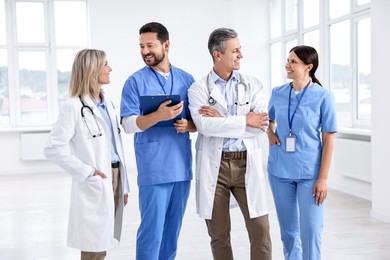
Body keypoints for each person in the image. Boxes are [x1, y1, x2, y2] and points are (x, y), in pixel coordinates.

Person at [188, 28, 272, 260]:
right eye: (235, 51)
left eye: (240, 50)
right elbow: (205, 127)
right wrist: (244, 120)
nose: (240, 55)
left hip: (247, 163)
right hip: (215, 168)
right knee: (218, 234)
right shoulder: (198, 89)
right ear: (218, 55)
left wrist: (222, 121)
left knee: (261, 230)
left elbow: (260, 126)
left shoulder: (253, 84)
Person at [44, 49, 130, 260]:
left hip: (115, 175)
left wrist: (124, 185)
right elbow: (52, 148)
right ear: (92, 69)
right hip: (96, 176)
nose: (110, 69)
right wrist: (87, 172)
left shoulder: (107, 104)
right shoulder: (73, 107)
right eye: (106, 64)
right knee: (93, 244)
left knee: (102, 239)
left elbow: (115, 146)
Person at [120, 22, 196, 260]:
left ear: (166, 45)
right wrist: (157, 116)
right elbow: (128, 124)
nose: (145, 51)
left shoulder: (187, 79)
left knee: (172, 231)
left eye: (150, 45)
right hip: (154, 168)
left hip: (181, 166)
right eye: (141, 46)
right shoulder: (135, 82)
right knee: (151, 232)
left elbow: (197, 122)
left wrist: (188, 125)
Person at [267, 45, 337, 260]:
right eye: (287, 60)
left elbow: (328, 139)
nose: (287, 65)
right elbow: (267, 120)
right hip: (279, 171)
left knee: (311, 231)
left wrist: (323, 179)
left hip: (310, 173)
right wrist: (271, 134)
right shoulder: (278, 93)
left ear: (308, 67)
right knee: (288, 233)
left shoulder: (323, 96)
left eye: (293, 61)